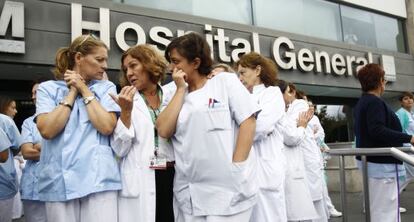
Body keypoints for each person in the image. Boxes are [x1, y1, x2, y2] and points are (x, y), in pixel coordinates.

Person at [156, 32, 259, 222]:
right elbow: (163, 130)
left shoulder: (224, 82)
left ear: (195, 63)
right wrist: (180, 90)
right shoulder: (173, 93)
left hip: (227, 189)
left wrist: (238, 167)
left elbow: (248, 121)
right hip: (189, 192)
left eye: (176, 61)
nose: (172, 68)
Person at [35, 34, 121, 222]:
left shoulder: (107, 88)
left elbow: (106, 126)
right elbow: (48, 130)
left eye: (105, 59)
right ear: (79, 58)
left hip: (99, 181)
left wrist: (83, 88)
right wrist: (73, 91)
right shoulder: (47, 89)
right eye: (99, 59)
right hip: (59, 181)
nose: (105, 65)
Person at [110, 44, 175, 222]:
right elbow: (119, 149)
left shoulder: (173, 94)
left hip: (172, 173)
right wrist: (126, 112)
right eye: (125, 69)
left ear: (149, 63)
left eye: (133, 65)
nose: (129, 73)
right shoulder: (126, 100)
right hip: (142, 175)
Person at [353, 64, 414, 222]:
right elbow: (377, 130)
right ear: (380, 81)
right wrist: (409, 138)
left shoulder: (363, 102)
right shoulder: (374, 102)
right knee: (385, 213)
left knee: (383, 211)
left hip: (375, 166)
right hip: (381, 167)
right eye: (384, 79)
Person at [236, 52, 287, 222]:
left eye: (243, 72)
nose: (240, 78)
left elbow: (261, 126)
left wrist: (241, 127)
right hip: (247, 169)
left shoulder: (271, 93)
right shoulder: (242, 97)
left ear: (257, 70)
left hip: (266, 167)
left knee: (270, 215)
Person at [276, 80, 318, 221]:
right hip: (287, 165)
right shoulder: (280, 111)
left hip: (296, 163)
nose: (289, 98)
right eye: (287, 92)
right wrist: (301, 126)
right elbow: (292, 136)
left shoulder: (296, 106)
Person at [307, 101, 342, 218]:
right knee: (316, 187)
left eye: (312, 106)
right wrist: (312, 134)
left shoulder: (315, 118)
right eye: (308, 105)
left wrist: (313, 134)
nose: (311, 108)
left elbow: (321, 134)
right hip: (309, 157)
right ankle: (324, 211)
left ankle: (328, 208)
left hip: (317, 156)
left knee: (322, 184)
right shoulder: (300, 117)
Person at [19, 80, 48, 222]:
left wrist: (38, 145)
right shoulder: (28, 123)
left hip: (56, 187)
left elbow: (68, 151)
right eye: (32, 93)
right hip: (33, 189)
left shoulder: (64, 118)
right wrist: (52, 148)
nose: (33, 96)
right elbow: (27, 153)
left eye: (37, 92)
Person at [0, 95, 24, 219]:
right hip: (4, 182)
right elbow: (18, 146)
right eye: (13, 108)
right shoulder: (5, 120)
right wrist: (10, 155)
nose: (15, 111)